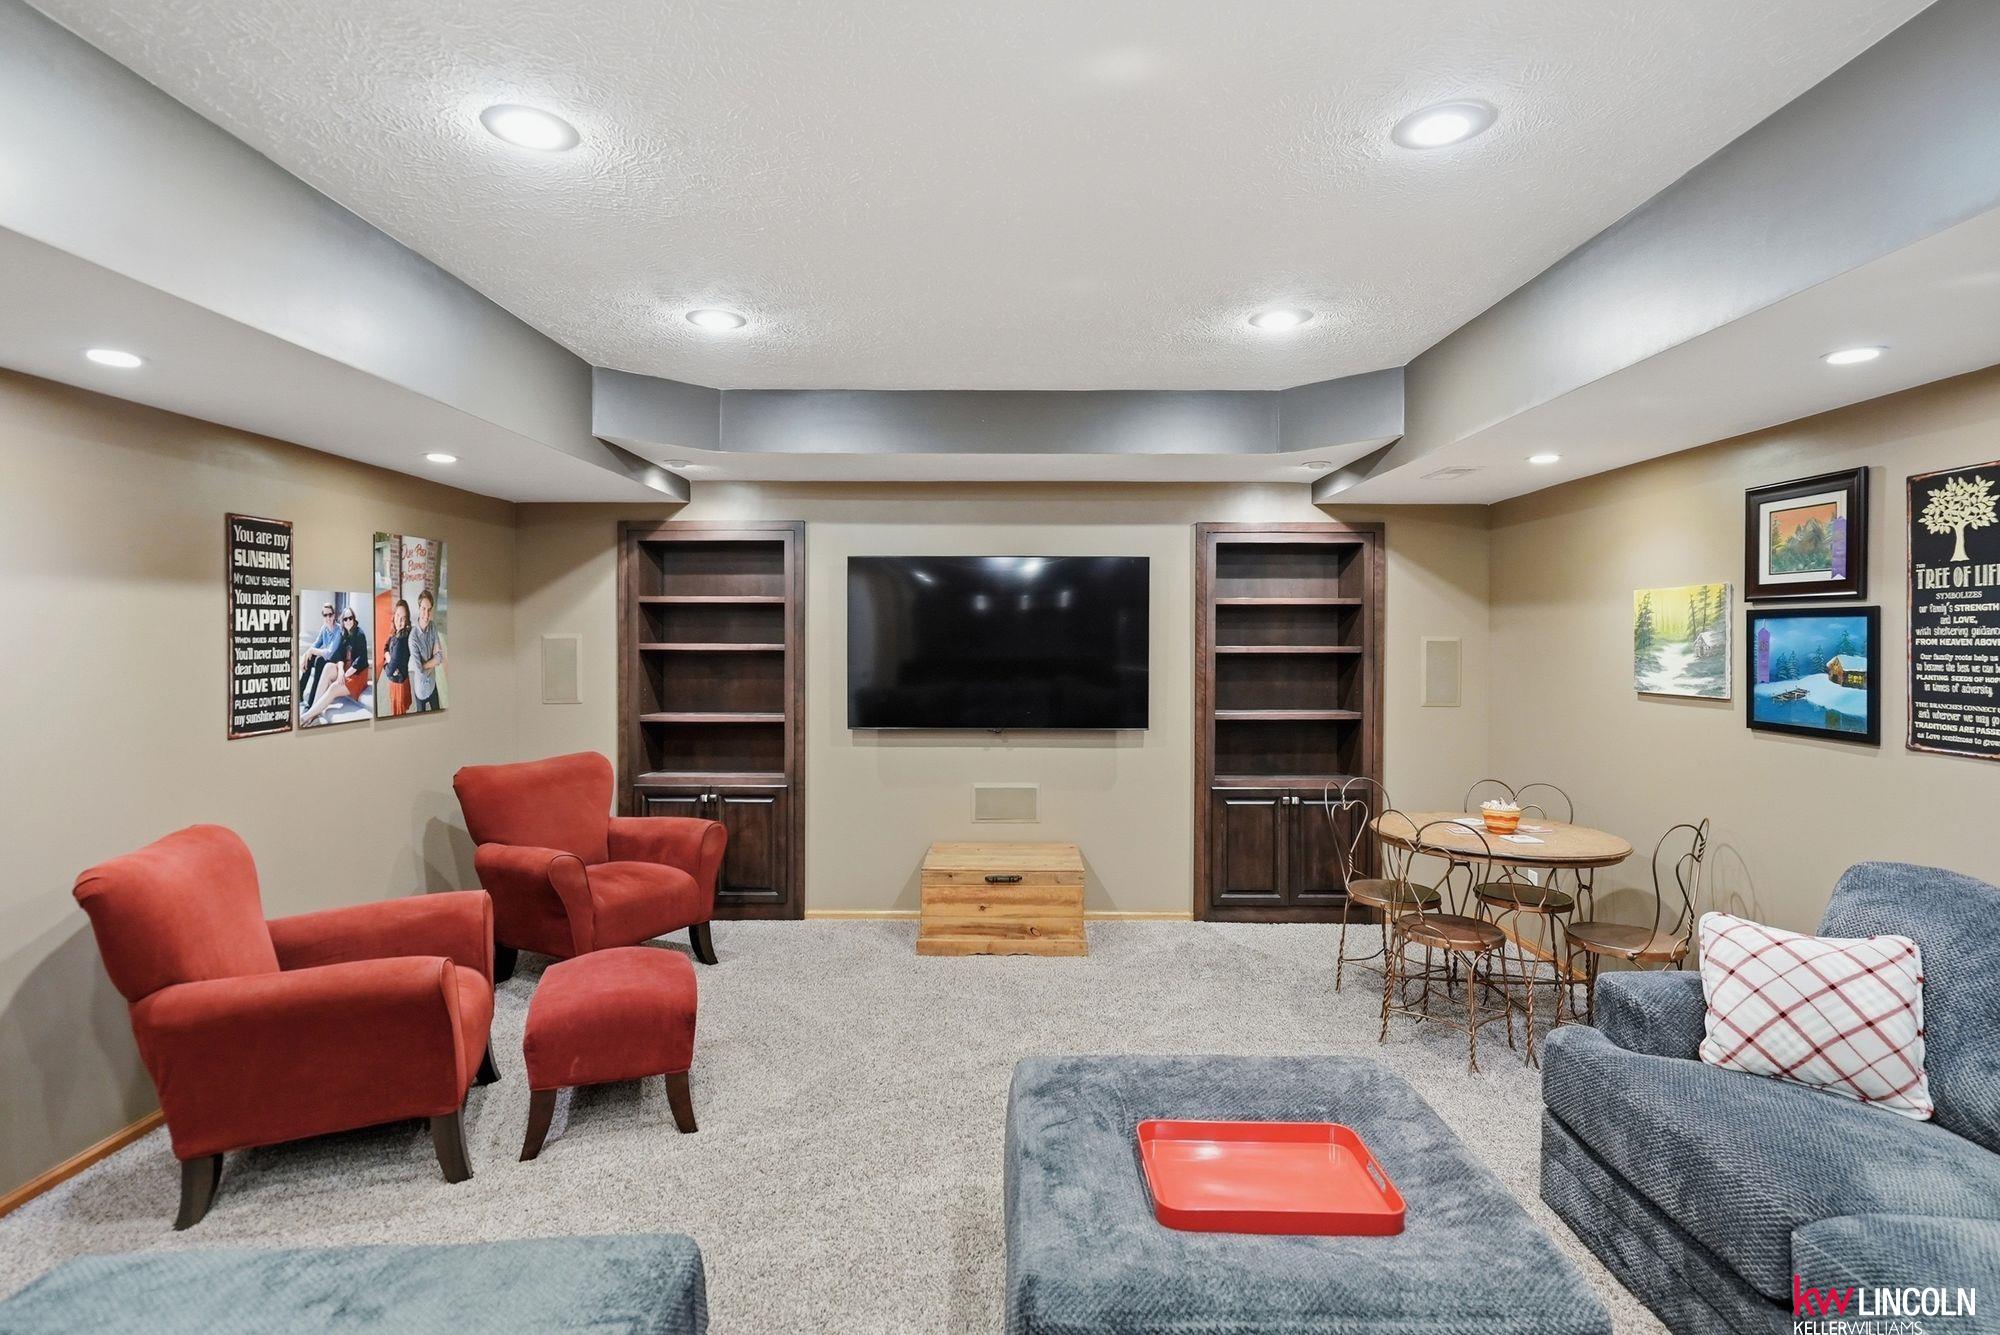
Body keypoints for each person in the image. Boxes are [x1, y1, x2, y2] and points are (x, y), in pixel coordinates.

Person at [301, 606, 369, 726]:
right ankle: (313, 710)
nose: (348, 621)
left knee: (333, 688)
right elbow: (339, 656)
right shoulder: (344, 634)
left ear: (354, 619)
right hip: (346, 670)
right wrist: (341, 670)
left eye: (350, 618)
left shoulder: (359, 634)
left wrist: (346, 674)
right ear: (342, 621)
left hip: (357, 675)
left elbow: (362, 658)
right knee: (328, 667)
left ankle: (306, 717)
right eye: (345, 619)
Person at [407, 588, 446, 713]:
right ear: (419, 609)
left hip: (433, 685)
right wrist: (433, 662)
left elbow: (440, 656)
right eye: (423, 609)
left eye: (429, 610)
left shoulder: (433, 626)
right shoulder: (413, 638)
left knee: (438, 715)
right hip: (420, 690)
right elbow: (420, 672)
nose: (426, 614)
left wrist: (425, 665)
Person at [298, 602, 341, 709]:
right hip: (326, 659)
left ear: (334, 615)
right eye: (325, 615)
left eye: (330, 614)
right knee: (310, 657)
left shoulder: (338, 630)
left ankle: (312, 702)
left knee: (319, 661)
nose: (328, 618)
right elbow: (315, 644)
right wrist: (305, 656)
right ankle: (299, 694)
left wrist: (312, 650)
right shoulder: (324, 629)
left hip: (335, 662)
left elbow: (330, 652)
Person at [379, 598, 413, 716]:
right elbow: (386, 647)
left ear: (407, 620)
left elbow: (389, 672)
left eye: (403, 618)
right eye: (398, 615)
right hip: (401, 678)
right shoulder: (396, 633)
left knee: (398, 715)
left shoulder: (400, 640)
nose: (399, 620)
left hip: (398, 683)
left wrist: (386, 661)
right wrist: (389, 656)